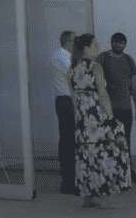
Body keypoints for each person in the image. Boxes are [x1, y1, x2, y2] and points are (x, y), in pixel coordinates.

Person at [70, 33, 131, 209]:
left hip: (82, 119)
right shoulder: (95, 67)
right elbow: (103, 94)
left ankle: (87, 198)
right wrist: (110, 116)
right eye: (95, 45)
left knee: (85, 155)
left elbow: (74, 97)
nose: (98, 47)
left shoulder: (72, 69)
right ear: (86, 49)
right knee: (105, 153)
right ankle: (104, 199)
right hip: (97, 117)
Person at [98, 32, 136, 183]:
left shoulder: (129, 60)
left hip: (125, 109)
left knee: (125, 142)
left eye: (121, 42)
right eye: (116, 42)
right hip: (108, 109)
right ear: (111, 42)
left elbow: (134, 88)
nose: (118, 45)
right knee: (108, 142)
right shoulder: (103, 58)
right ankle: (110, 174)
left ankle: (128, 173)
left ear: (125, 44)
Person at [49, 29, 76, 194]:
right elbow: (74, 76)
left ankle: (72, 179)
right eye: (75, 40)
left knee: (70, 140)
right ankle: (68, 181)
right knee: (68, 141)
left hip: (67, 100)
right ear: (68, 41)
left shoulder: (65, 56)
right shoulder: (62, 56)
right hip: (66, 101)